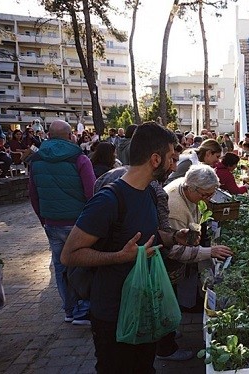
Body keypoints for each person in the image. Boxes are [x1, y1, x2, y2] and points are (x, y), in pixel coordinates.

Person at [61, 122, 189, 373]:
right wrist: (120, 256)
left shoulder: (150, 193)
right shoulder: (109, 200)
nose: (174, 166)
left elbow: (150, 235)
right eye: (171, 158)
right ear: (155, 159)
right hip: (113, 313)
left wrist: (175, 237)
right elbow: (69, 255)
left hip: (143, 306)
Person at [28, 120, 96, 324]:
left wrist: (44, 219)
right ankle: (84, 308)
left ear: (48, 136)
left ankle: (69, 309)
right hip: (79, 223)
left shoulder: (36, 159)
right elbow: (91, 192)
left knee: (61, 266)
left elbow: (33, 194)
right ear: (69, 136)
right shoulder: (79, 158)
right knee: (84, 264)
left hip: (52, 223)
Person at [164, 165, 233, 316]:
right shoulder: (174, 208)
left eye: (210, 194)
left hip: (184, 242)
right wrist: (210, 252)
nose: (207, 199)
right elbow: (174, 250)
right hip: (167, 262)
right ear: (192, 188)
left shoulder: (188, 186)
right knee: (170, 298)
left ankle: (186, 305)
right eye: (205, 195)